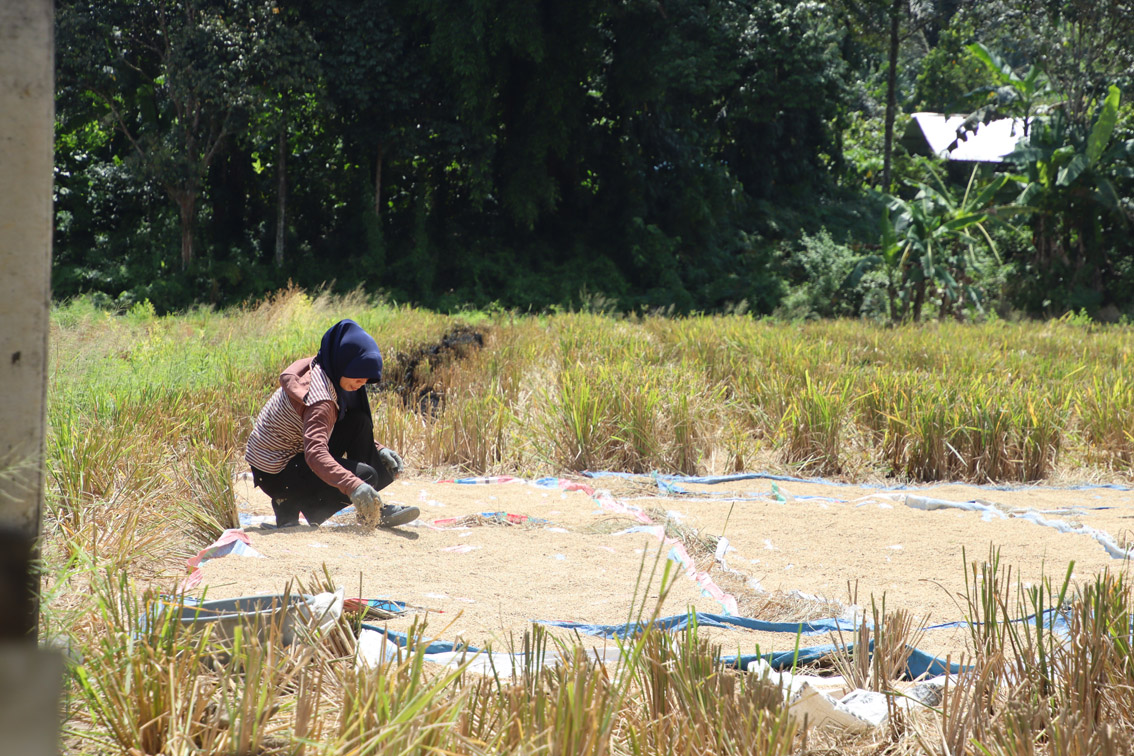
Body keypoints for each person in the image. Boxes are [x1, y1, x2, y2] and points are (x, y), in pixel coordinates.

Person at [245, 319, 419, 528]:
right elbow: (315, 453)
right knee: (365, 476)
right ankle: (289, 501)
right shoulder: (322, 400)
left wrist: (378, 450)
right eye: (357, 377)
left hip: (289, 456)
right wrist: (354, 486)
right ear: (342, 363)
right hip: (275, 472)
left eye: (366, 380)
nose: (361, 384)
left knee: (359, 422)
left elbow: (333, 428)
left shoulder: (325, 367)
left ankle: (370, 506)